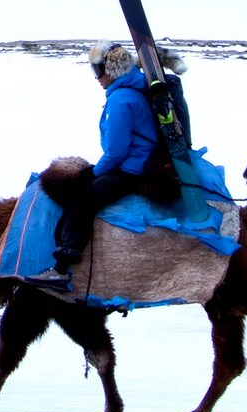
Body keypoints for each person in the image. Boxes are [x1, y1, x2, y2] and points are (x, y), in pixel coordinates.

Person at [37, 41, 188, 286]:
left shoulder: (121, 100)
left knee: (82, 200)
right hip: (137, 165)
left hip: (130, 170)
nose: (96, 78)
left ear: (112, 70)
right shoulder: (131, 92)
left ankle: (63, 267)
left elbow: (117, 151)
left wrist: (94, 173)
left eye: (98, 71)